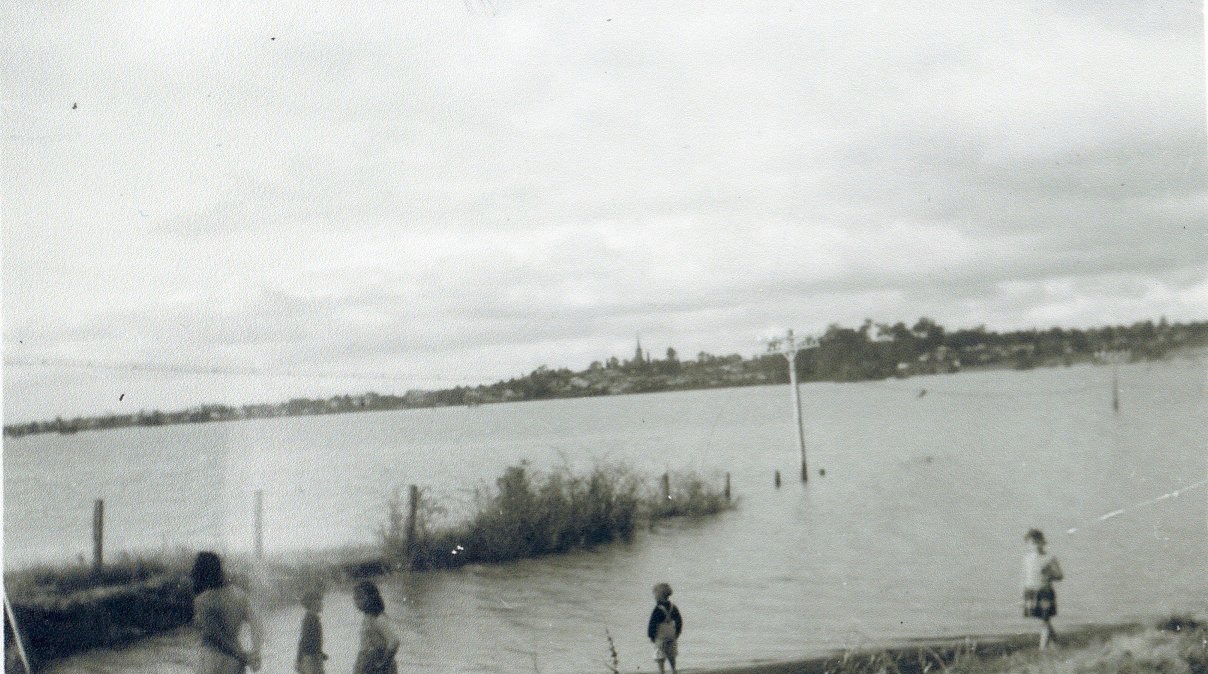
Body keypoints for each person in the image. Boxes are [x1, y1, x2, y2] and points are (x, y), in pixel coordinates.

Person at [191, 551, 262, 674]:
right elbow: (257, 624)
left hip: (211, 661)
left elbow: (217, 637)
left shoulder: (202, 600)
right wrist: (255, 652)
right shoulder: (240, 595)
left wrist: (243, 657)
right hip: (235, 664)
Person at [1021, 529, 1063, 649]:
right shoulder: (1026, 558)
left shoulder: (1049, 558)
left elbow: (1060, 576)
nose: (1033, 546)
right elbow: (1025, 577)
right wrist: (1023, 594)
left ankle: (1042, 649)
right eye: (1030, 543)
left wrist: (1049, 574)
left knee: (1045, 621)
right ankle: (1056, 645)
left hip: (1045, 591)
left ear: (1042, 542)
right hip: (1031, 591)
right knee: (1044, 621)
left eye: (1036, 542)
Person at [352, 581, 400, 674]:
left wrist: (384, 664)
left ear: (372, 598)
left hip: (375, 663)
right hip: (366, 662)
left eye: (360, 598)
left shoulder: (378, 618)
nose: (356, 602)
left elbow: (394, 641)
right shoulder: (368, 617)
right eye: (355, 598)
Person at [646, 583, 683, 674]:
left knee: (660, 655)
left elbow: (653, 623)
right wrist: (677, 632)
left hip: (660, 637)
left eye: (655, 595)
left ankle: (662, 671)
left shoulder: (657, 609)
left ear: (659, 595)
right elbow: (679, 621)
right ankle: (673, 670)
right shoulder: (673, 607)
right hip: (671, 635)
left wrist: (651, 635)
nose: (654, 597)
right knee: (671, 654)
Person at [295, 588, 328, 674]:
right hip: (311, 660)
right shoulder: (310, 620)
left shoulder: (313, 618)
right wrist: (299, 660)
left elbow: (313, 641)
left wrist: (320, 653)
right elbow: (304, 641)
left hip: (313, 658)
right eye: (319, 601)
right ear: (313, 604)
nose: (322, 604)